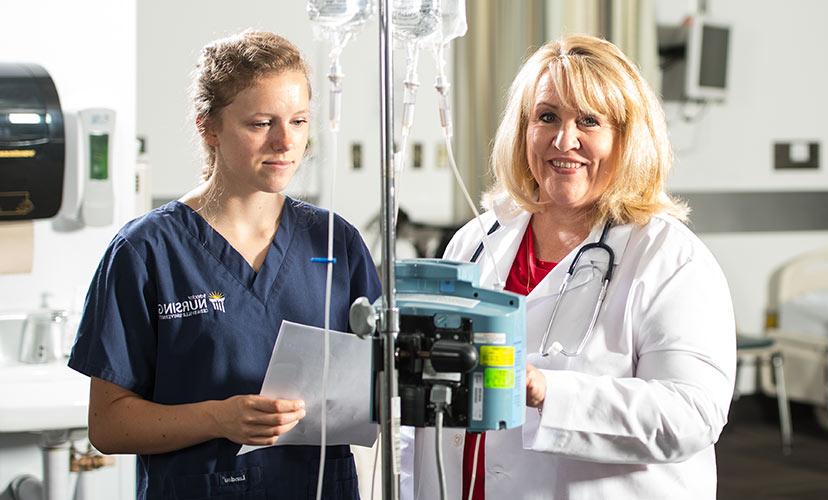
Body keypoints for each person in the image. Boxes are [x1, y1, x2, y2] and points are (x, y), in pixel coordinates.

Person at [402, 35, 736, 499]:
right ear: (523, 129)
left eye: (589, 121)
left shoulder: (669, 258)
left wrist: (546, 392)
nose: (564, 140)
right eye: (547, 117)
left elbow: (692, 414)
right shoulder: (476, 242)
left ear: (626, 138)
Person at [68, 30, 380, 499]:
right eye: (260, 123)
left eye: (298, 121)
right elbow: (108, 425)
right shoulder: (147, 251)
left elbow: (381, 383)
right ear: (208, 128)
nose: (284, 142)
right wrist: (219, 417)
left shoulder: (336, 242)